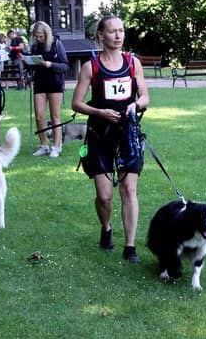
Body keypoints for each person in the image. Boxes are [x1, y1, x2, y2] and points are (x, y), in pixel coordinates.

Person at [71, 15, 149, 263]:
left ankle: (130, 246)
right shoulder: (91, 67)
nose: (118, 36)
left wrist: (135, 105)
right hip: (100, 135)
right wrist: (100, 112)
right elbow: (76, 103)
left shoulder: (133, 63)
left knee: (129, 189)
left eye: (121, 31)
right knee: (104, 196)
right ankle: (106, 227)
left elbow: (145, 97)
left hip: (128, 134)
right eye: (112, 31)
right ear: (101, 35)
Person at [28, 21, 69, 158]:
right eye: (36, 36)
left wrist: (50, 64)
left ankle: (56, 146)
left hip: (54, 83)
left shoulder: (56, 44)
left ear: (47, 34)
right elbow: (33, 64)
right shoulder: (34, 46)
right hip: (39, 83)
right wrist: (28, 62)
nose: (38, 39)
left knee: (55, 116)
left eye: (40, 36)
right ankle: (44, 145)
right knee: (39, 116)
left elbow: (65, 65)